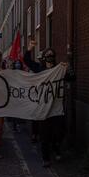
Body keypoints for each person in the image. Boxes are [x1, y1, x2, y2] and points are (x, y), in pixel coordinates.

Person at [24, 40, 73, 168]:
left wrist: (68, 69)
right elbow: (27, 61)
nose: (50, 57)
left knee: (59, 132)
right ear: (44, 57)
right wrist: (29, 49)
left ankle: (56, 148)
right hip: (43, 108)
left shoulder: (59, 70)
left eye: (52, 55)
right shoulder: (40, 69)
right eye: (48, 54)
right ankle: (45, 157)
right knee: (44, 134)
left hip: (57, 108)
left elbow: (72, 78)